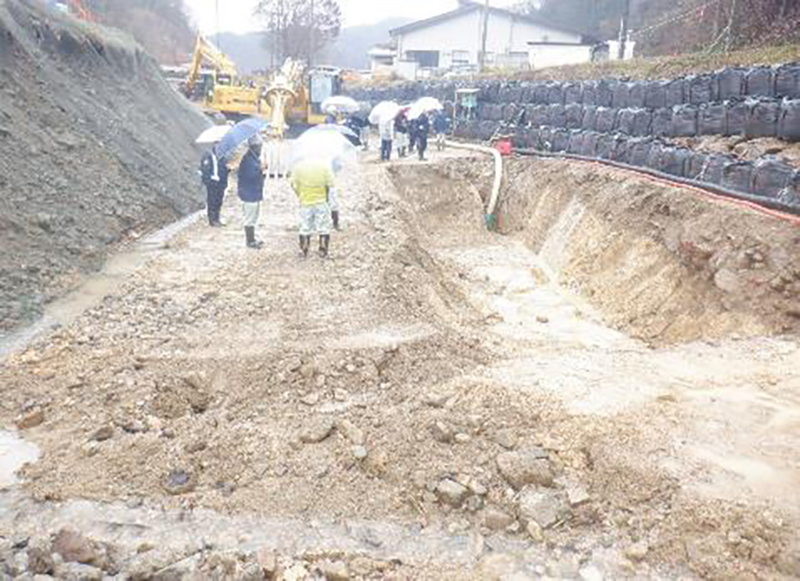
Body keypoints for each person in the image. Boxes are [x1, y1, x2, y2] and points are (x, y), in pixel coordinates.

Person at [292, 157, 335, 258]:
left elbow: (294, 184)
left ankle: (304, 248)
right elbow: (331, 183)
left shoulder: (298, 167)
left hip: (305, 201)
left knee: (305, 225)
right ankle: (323, 249)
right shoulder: (324, 166)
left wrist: (300, 194)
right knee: (323, 225)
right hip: (321, 201)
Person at [237, 135, 265, 249]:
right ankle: (250, 241)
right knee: (250, 218)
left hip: (252, 193)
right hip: (249, 193)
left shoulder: (252, 158)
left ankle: (252, 238)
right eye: (259, 147)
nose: (260, 149)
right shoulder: (248, 160)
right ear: (254, 147)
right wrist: (260, 169)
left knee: (253, 217)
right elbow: (250, 176)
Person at [199, 144, 229, 227]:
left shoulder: (223, 157)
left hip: (221, 184)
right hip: (212, 184)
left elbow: (224, 169)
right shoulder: (208, 155)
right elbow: (205, 169)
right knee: (212, 201)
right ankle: (212, 220)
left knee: (218, 201)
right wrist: (208, 182)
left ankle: (217, 218)